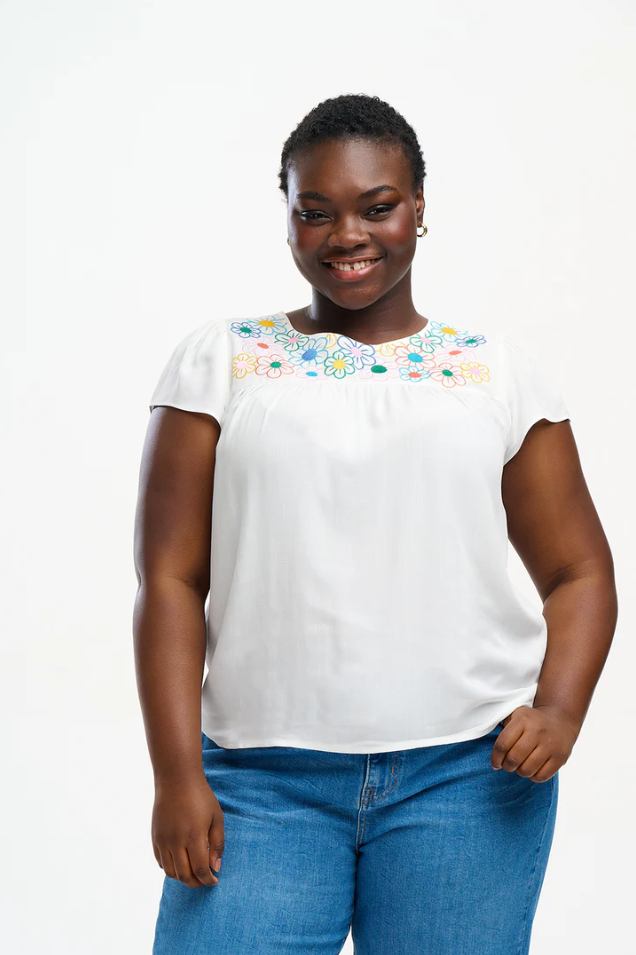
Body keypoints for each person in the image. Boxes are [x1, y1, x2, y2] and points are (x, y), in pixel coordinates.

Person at [133, 93, 617, 955]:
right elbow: (170, 580)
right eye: (313, 212)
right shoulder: (223, 361)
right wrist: (177, 773)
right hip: (259, 781)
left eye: (377, 206)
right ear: (285, 216)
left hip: (468, 778)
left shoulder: (492, 371)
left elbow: (579, 570)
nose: (345, 234)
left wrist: (562, 709)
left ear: (420, 207)